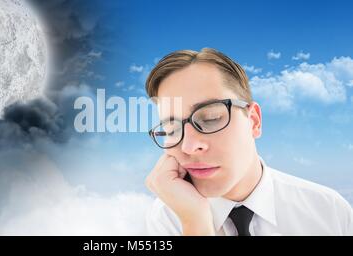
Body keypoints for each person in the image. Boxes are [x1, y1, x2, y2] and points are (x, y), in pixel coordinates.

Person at [144, 48, 353, 236]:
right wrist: (195, 223)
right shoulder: (167, 220)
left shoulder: (329, 212)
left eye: (210, 119)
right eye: (171, 129)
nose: (189, 147)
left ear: (253, 121)